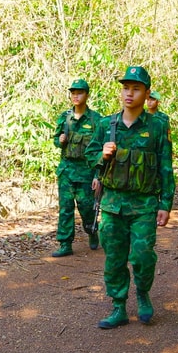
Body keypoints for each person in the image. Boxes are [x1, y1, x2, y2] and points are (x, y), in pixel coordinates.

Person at [85, 66, 175, 329]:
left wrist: (165, 203)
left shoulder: (157, 126)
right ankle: (118, 307)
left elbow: (166, 166)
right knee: (114, 258)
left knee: (142, 256)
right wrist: (101, 154)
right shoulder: (106, 125)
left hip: (144, 205)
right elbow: (90, 156)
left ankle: (143, 295)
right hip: (112, 204)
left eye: (136, 88)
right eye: (126, 87)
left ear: (146, 93)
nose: (129, 93)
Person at [52, 79, 102, 257]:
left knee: (86, 207)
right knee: (65, 208)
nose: (76, 96)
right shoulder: (65, 117)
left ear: (87, 95)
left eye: (79, 92)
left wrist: (98, 174)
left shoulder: (96, 120)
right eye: (73, 93)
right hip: (66, 170)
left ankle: (92, 230)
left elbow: (101, 150)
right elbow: (56, 139)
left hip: (86, 172)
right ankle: (65, 244)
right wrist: (60, 141)